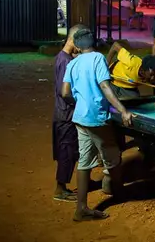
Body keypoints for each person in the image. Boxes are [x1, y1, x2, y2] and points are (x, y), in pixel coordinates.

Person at [61, 27, 134, 222]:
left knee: (84, 161)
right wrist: (123, 110)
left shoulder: (73, 63)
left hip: (80, 118)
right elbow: (104, 86)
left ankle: (81, 208)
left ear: (77, 46)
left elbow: (65, 92)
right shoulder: (98, 58)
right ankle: (117, 191)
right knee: (112, 154)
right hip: (96, 117)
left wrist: (79, 103)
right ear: (94, 43)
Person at [52, 24, 86, 202]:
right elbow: (64, 92)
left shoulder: (63, 57)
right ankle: (60, 189)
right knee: (67, 150)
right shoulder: (65, 62)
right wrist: (80, 103)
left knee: (69, 150)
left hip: (62, 113)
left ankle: (64, 185)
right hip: (66, 114)